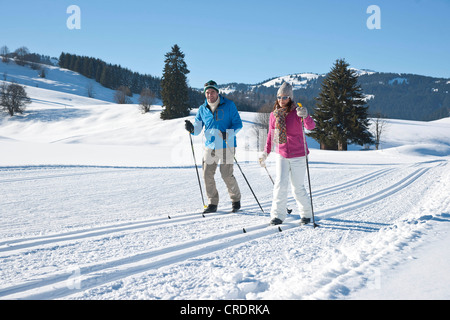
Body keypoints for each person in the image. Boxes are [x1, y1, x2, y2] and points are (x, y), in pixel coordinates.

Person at [259, 82, 316, 225]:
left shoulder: (298, 112)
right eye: (279, 97)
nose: (281, 100)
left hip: (299, 154)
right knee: (280, 184)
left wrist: (306, 115)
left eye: (284, 97)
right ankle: (277, 215)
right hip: (282, 153)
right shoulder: (274, 114)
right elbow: (271, 135)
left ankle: (306, 215)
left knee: (297, 186)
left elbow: (311, 127)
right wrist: (265, 153)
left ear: (290, 98)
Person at [185, 80, 243, 213]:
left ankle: (235, 200)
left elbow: (238, 124)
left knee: (226, 174)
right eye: (207, 92)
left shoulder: (229, 105)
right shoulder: (202, 109)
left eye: (212, 92)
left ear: (217, 92)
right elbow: (198, 130)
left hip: (226, 144)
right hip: (210, 145)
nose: (210, 95)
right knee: (207, 174)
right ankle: (212, 203)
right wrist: (191, 129)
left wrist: (227, 134)